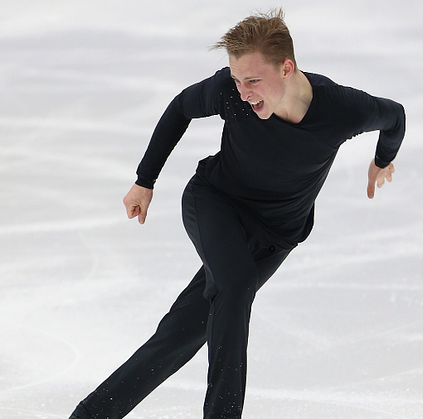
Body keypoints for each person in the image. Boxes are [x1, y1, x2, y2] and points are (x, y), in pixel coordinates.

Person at [69, 8, 405, 419]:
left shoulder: (340, 110)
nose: (243, 92)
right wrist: (145, 179)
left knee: (183, 333)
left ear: (287, 68)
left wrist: (382, 159)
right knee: (237, 284)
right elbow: (181, 108)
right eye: (236, 80)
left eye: (253, 81)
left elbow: (395, 116)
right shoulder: (231, 94)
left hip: (276, 236)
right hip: (214, 203)